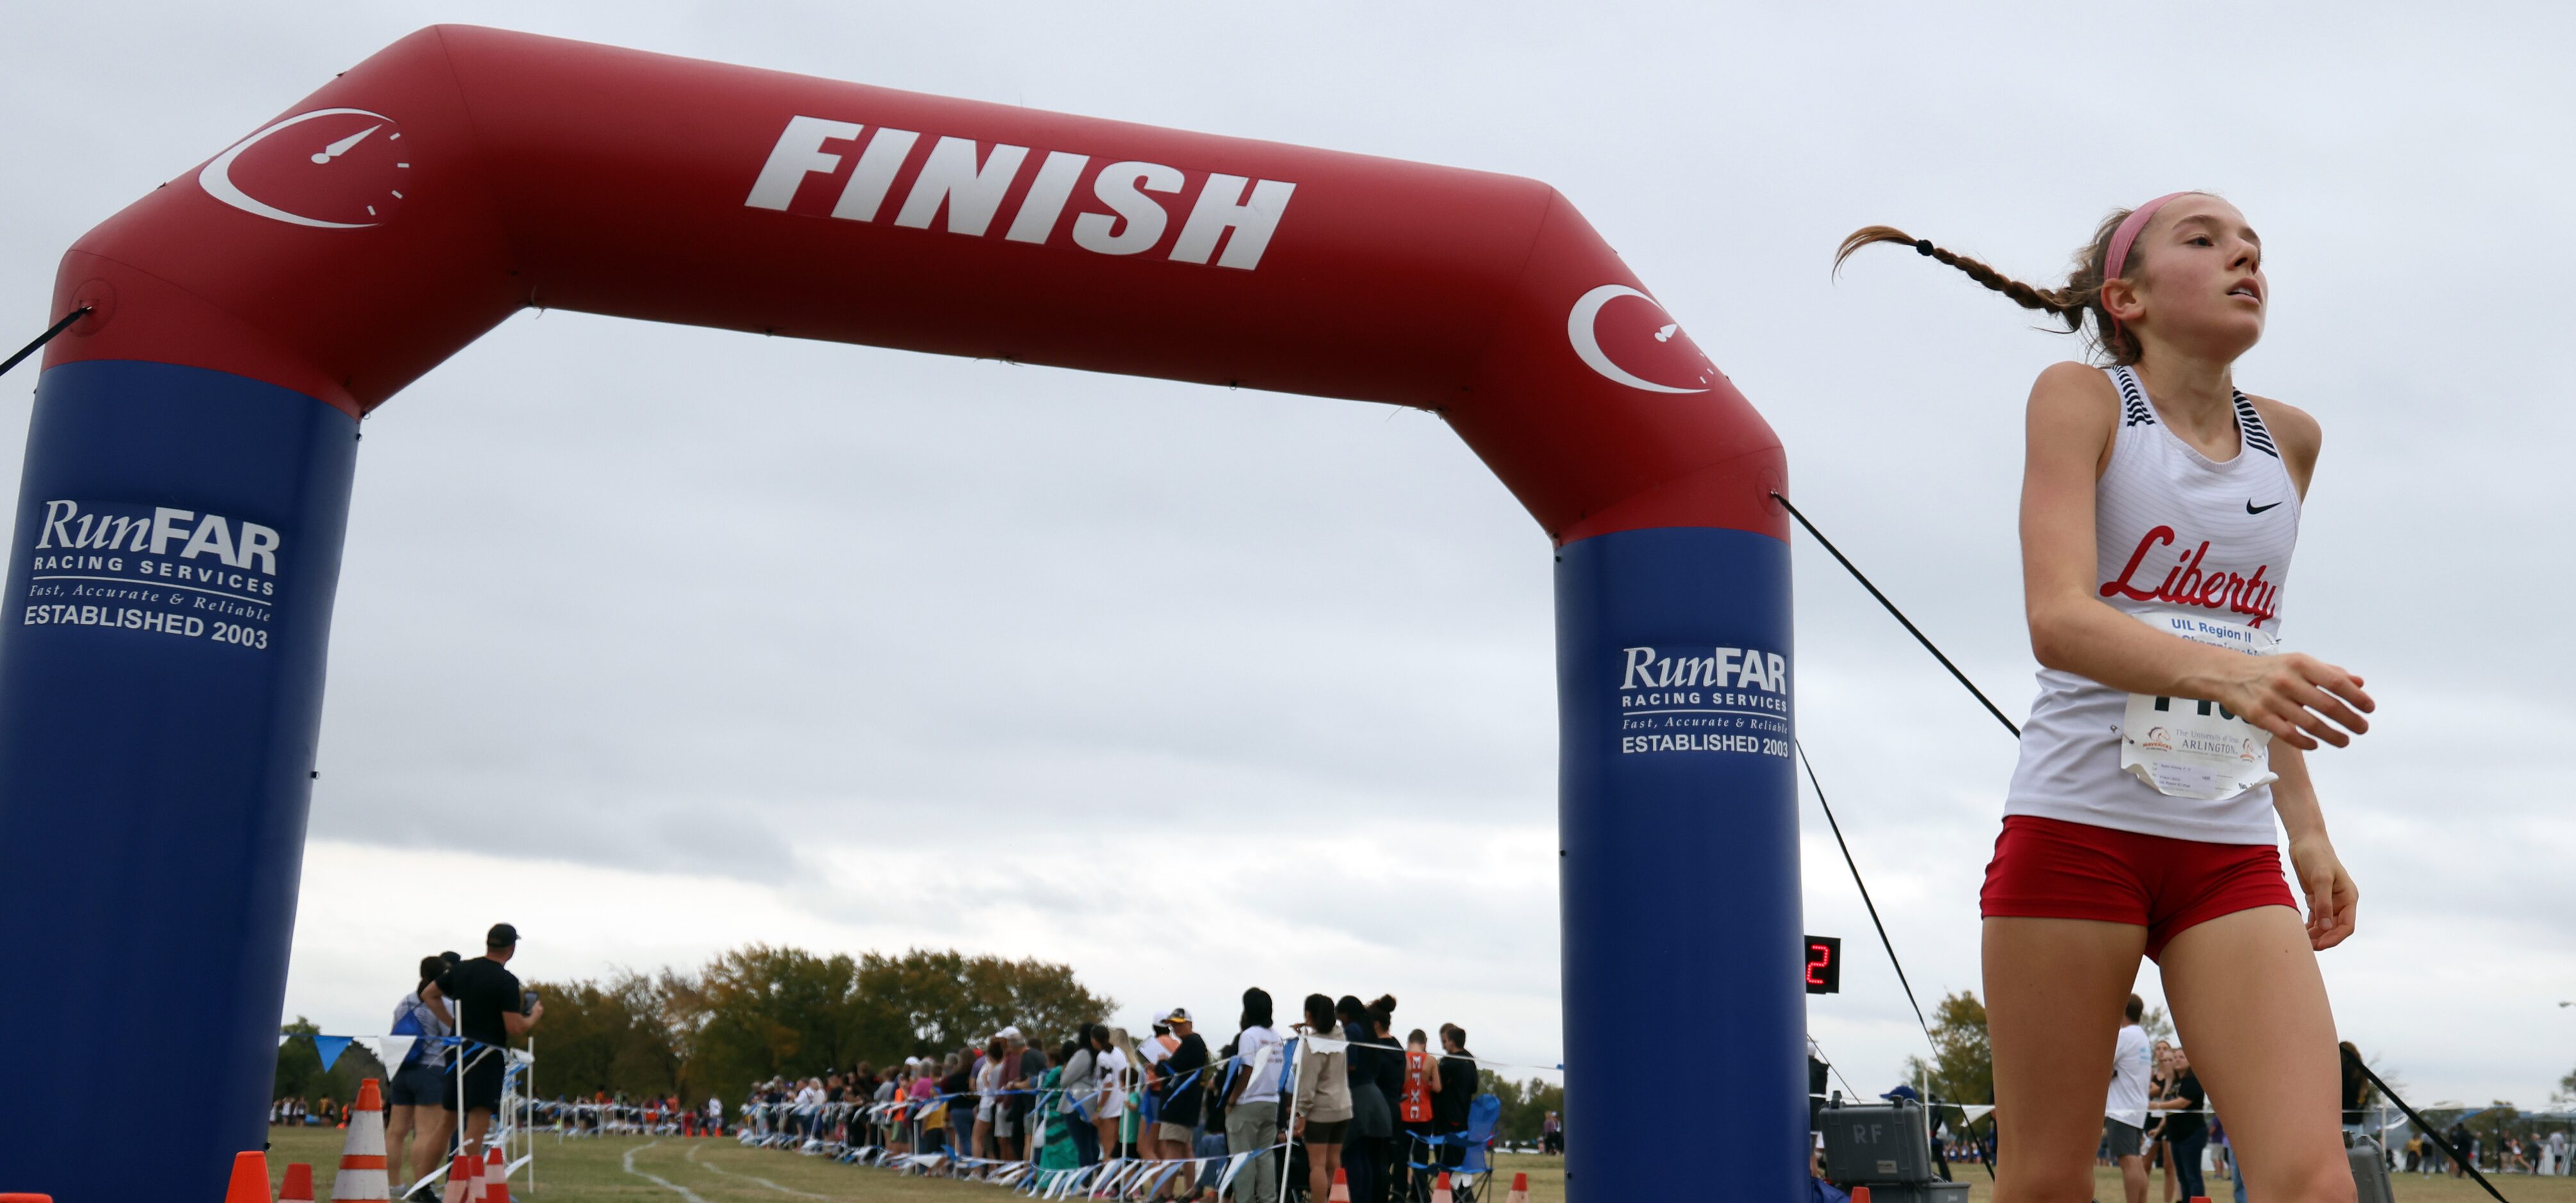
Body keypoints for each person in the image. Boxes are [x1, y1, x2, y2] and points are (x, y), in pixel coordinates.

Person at [1840, 193, 2371, 1203]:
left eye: (2252, 246)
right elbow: (2060, 619)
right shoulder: (2081, 399)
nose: (2242, 256)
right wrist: (2239, 673)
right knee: (2044, 1181)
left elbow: (2249, 643)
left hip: (2229, 849)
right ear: (2123, 296)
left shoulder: (2289, 440)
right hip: (2079, 829)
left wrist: (2306, 830)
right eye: (2205, 241)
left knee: (2315, 1177)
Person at [437, 923, 543, 1161]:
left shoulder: (462, 969)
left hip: (457, 1049)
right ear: (511, 948)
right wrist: (533, 1016)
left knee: (447, 1122)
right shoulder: (506, 981)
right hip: (486, 1055)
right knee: (478, 1118)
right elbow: (514, 1027)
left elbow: (429, 993)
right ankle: (462, 1181)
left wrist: (453, 1022)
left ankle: (423, 1185)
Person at [386, 954, 457, 1200]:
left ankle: (394, 1185)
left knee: (396, 1131)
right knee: (426, 1132)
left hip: (402, 1070)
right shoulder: (443, 1003)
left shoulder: (405, 1002)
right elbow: (451, 1037)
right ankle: (422, 1185)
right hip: (430, 1070)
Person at [1225, 989, 1286, 1203]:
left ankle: (1245, 1200)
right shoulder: (1277, 1037)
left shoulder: (1248, 1036)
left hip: (1248, 1103)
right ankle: (1269, 1199)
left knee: (1243, 1159)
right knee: (1265, 1156)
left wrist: (1232, 1100)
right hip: (1271, 1102)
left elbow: (1247, 1070)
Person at [1292, 994, 1352, 1203]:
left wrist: (1301, 1113)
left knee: (1317, 1165)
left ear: (1309, 1014)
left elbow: (1307, 1085)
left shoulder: (1312, 1045)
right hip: (1343, 1108)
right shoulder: (1340, 1034)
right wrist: (1308, 1029)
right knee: (1334, 1161)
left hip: (1320, 1111)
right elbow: (1326, 1029)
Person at [1336, 997, 1393, 1203]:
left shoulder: (1352, 1030)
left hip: (1358, 1097)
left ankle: (1356, 1198)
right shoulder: (1369, 1030)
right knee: (1368, 1158)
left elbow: (1350, 1064)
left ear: (1346, 1013)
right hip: (1375, 1098)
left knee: (1353, 1155)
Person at [2101, 995, 2154, 1203]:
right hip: (2136, 1107)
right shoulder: (2141, 1036)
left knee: (2128, 1160)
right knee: (2135, 1161)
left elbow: (2103, 1063)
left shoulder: (2125, 1036)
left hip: (2122, 1108)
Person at [1156, 1008, 1211, 1198]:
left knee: (1172, 1149)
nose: (1175, 1028)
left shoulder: (1192, 1043)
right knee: (1186, 1149)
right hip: (1187, 1105)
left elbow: (1168, 1071)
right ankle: (1191, 1193)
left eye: (1179, 1024)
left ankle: (1166, 1195)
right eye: (1172, 1025)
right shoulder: (1195, 1044)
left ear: (1190, 1024)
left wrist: (1161, 1062)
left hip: (1178, 1106)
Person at [2150, 1046, 2210, 1202]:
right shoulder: (2175, 1082)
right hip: (2175, 1134)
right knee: (2182, 1176)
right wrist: (2159, 1128)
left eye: (2181, 1057)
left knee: (2192, 1175)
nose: (2177, 1060)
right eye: (2175, 1057)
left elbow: (2183, 1102)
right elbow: (2169, 1107)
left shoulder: (2193, 1080)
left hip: (2192, 1134)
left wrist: (2158, 1106)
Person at [1432, 1026, 1477, 1170]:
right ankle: (1459, 1190)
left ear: (1451, 1042)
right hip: (1464, 1115)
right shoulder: (1469, 1060)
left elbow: (1436, 1086)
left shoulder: (1449, 1064)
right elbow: (1474, 1087)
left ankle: (1447, 1189)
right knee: (1459, 1157)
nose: (1444, 1044)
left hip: (1447, 1118)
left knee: (1446, 1158)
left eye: (1445, 1041)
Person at [1060, 1026, 1102, 1166]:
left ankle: (1085, 1182)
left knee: (1083, 1147)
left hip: (1077, 1102)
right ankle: (1092, 1179)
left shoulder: (1083, 1054)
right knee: (1092, 1144)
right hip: (1093, 1101)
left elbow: (1065, 1080)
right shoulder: (1099, 1054)